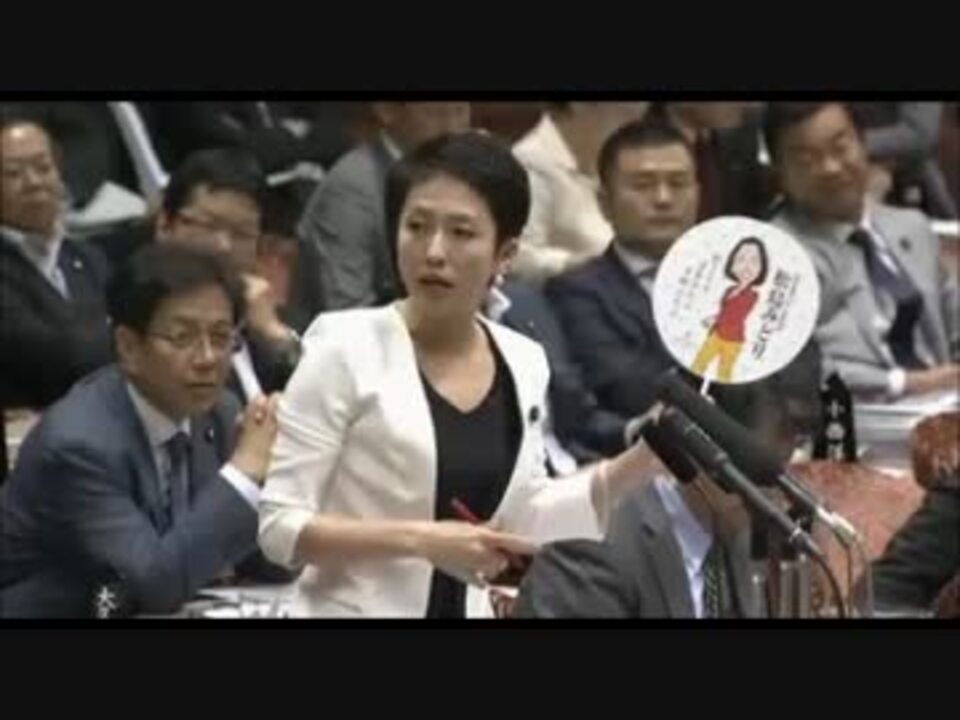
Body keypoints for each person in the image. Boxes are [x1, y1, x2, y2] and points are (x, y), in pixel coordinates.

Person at [257, 132, 664, 617]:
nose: (433, 251)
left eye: (461, 232)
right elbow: (280, 529)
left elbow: (523, 516)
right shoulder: (343, 346)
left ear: (505, 254)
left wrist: (636, 464)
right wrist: (422, 540)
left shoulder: (523, 360)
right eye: (416, 226)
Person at [0, 245, 286, 618]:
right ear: (129, 346)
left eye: (220, 337)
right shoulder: (77, 445)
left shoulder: (220, 413)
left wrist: (282, 480)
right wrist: (244, 471)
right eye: (182, 337)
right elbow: (154, 586)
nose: (207, 358)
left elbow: (267, 560)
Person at [764, 102, 959, 400]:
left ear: (863, 144)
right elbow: (793, 368)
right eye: (806, 160)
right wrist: (904, 383)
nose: (830, 167)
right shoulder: (776, 257)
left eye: (840, 148)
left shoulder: (911, 226)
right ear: (780, 175)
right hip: (855, 417)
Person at [92, 148, 302, 403]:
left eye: (242, 233)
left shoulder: (257, 313)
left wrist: (275, 336)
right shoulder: (132, 309)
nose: (223, 246)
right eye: (210, 225)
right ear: (165, 225)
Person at [297, 102, 471, 313]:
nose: (453, 128)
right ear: (387, 109)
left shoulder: (464, 176)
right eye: (436, 112)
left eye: (460, 111)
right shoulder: (353, 187)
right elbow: (348, 310)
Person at [0, 114, 113, 414]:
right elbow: (59, 356)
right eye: (13, 173)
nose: (34, 182)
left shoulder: (88, 257)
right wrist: (122, 335)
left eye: (43, 167)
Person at [510, 102, 650, 283]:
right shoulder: (531, 162)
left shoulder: (615, 156)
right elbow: (518, 257)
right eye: (626, 109)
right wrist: (589, 264)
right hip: (564, 294)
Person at [691, 236, 769, 382]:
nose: (747, 266)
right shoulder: (729, 289)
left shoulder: (752, 295)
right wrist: (715, 319)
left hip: (733, 340)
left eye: (754, 261)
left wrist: (715, 319)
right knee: (698, 363)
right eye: (741, 259)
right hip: (717, 334)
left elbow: (736, 314)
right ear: (732, 263)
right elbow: (725, 311)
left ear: (762, 267)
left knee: (724, 372)